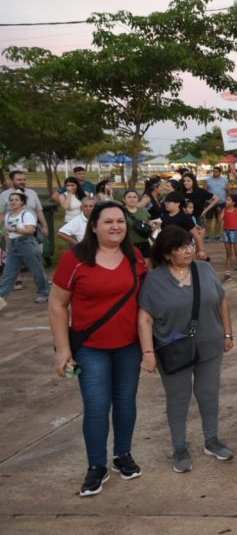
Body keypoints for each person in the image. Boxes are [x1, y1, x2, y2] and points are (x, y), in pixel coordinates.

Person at [49, 201, 148, 496]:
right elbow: (57, 306)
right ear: (94, 226)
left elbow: (147, 302)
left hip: (128, 347)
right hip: (91, 348)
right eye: (107, 222)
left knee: (126, 402)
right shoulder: (75, 259)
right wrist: (62, 350)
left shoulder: (136, 257)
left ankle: (122, 455)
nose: (115, 226)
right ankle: (96, 465)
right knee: (95, 407)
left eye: (120, 221)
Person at [137, 225, 235, 473]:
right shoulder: (155, 279)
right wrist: (148, 353)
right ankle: (179, 447)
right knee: (178, 399)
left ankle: (211, 440)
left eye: (189, 244)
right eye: (180, 247)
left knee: (208, 393)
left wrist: (227, 333)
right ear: (168, 254)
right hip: (173, 349)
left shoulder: (204, 269)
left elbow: (222, 301)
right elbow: (145, 318)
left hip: (210, 343)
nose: (188, 250)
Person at [0, 191, 51, 308]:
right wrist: (8, 245)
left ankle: (44, 292)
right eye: (11, 200)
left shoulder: (26, 215)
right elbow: (7, 233)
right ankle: (1, 298)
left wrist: (14, 229)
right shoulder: (8, 215)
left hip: (27, 244)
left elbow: (30, 231)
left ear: (22, 202)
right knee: (8, 274)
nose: (13, 202)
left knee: (36, 271)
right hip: (13, 246)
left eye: (16, 200)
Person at [160, 192, 208, 260]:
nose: (166, 204)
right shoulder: (164, 217)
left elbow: (196, 235)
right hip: (167, 249)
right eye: (165, 202)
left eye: (169, 202)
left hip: (182, 250)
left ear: (178, 203)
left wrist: (201, 250)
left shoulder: (184, 218)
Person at [180, 173, 216, 241]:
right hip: (185, 219)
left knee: (199, 242)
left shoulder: (200, 191)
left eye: (188, 181)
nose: (186, 183)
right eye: (184, 181)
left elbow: (216, 198)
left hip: (198, 219)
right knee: (186, 242)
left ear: (193, 181)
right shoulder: (181, 193)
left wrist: (205, 211)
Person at [123, 190, 154, 258]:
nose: (132, 199)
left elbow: (148, 226)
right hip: (129, 244)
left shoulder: (144, 211)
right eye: (129, 197)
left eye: (135, 197)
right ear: (124, 199)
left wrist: (152, 227)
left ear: (138, 199)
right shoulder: (121, 212)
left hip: (144, 244)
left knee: (145, 266)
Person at [204, 167, 229, 241]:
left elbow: (227, 191)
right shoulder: (208, 180)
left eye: (217, 171)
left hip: (221, 203)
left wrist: (227, 201)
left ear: (220, 172)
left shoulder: (225, 180)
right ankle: (207, 236)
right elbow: (205, 191)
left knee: (219, 220)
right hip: (210, 203)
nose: (215, 173)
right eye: (214, 171)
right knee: (208, 220)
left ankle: (217, 235)